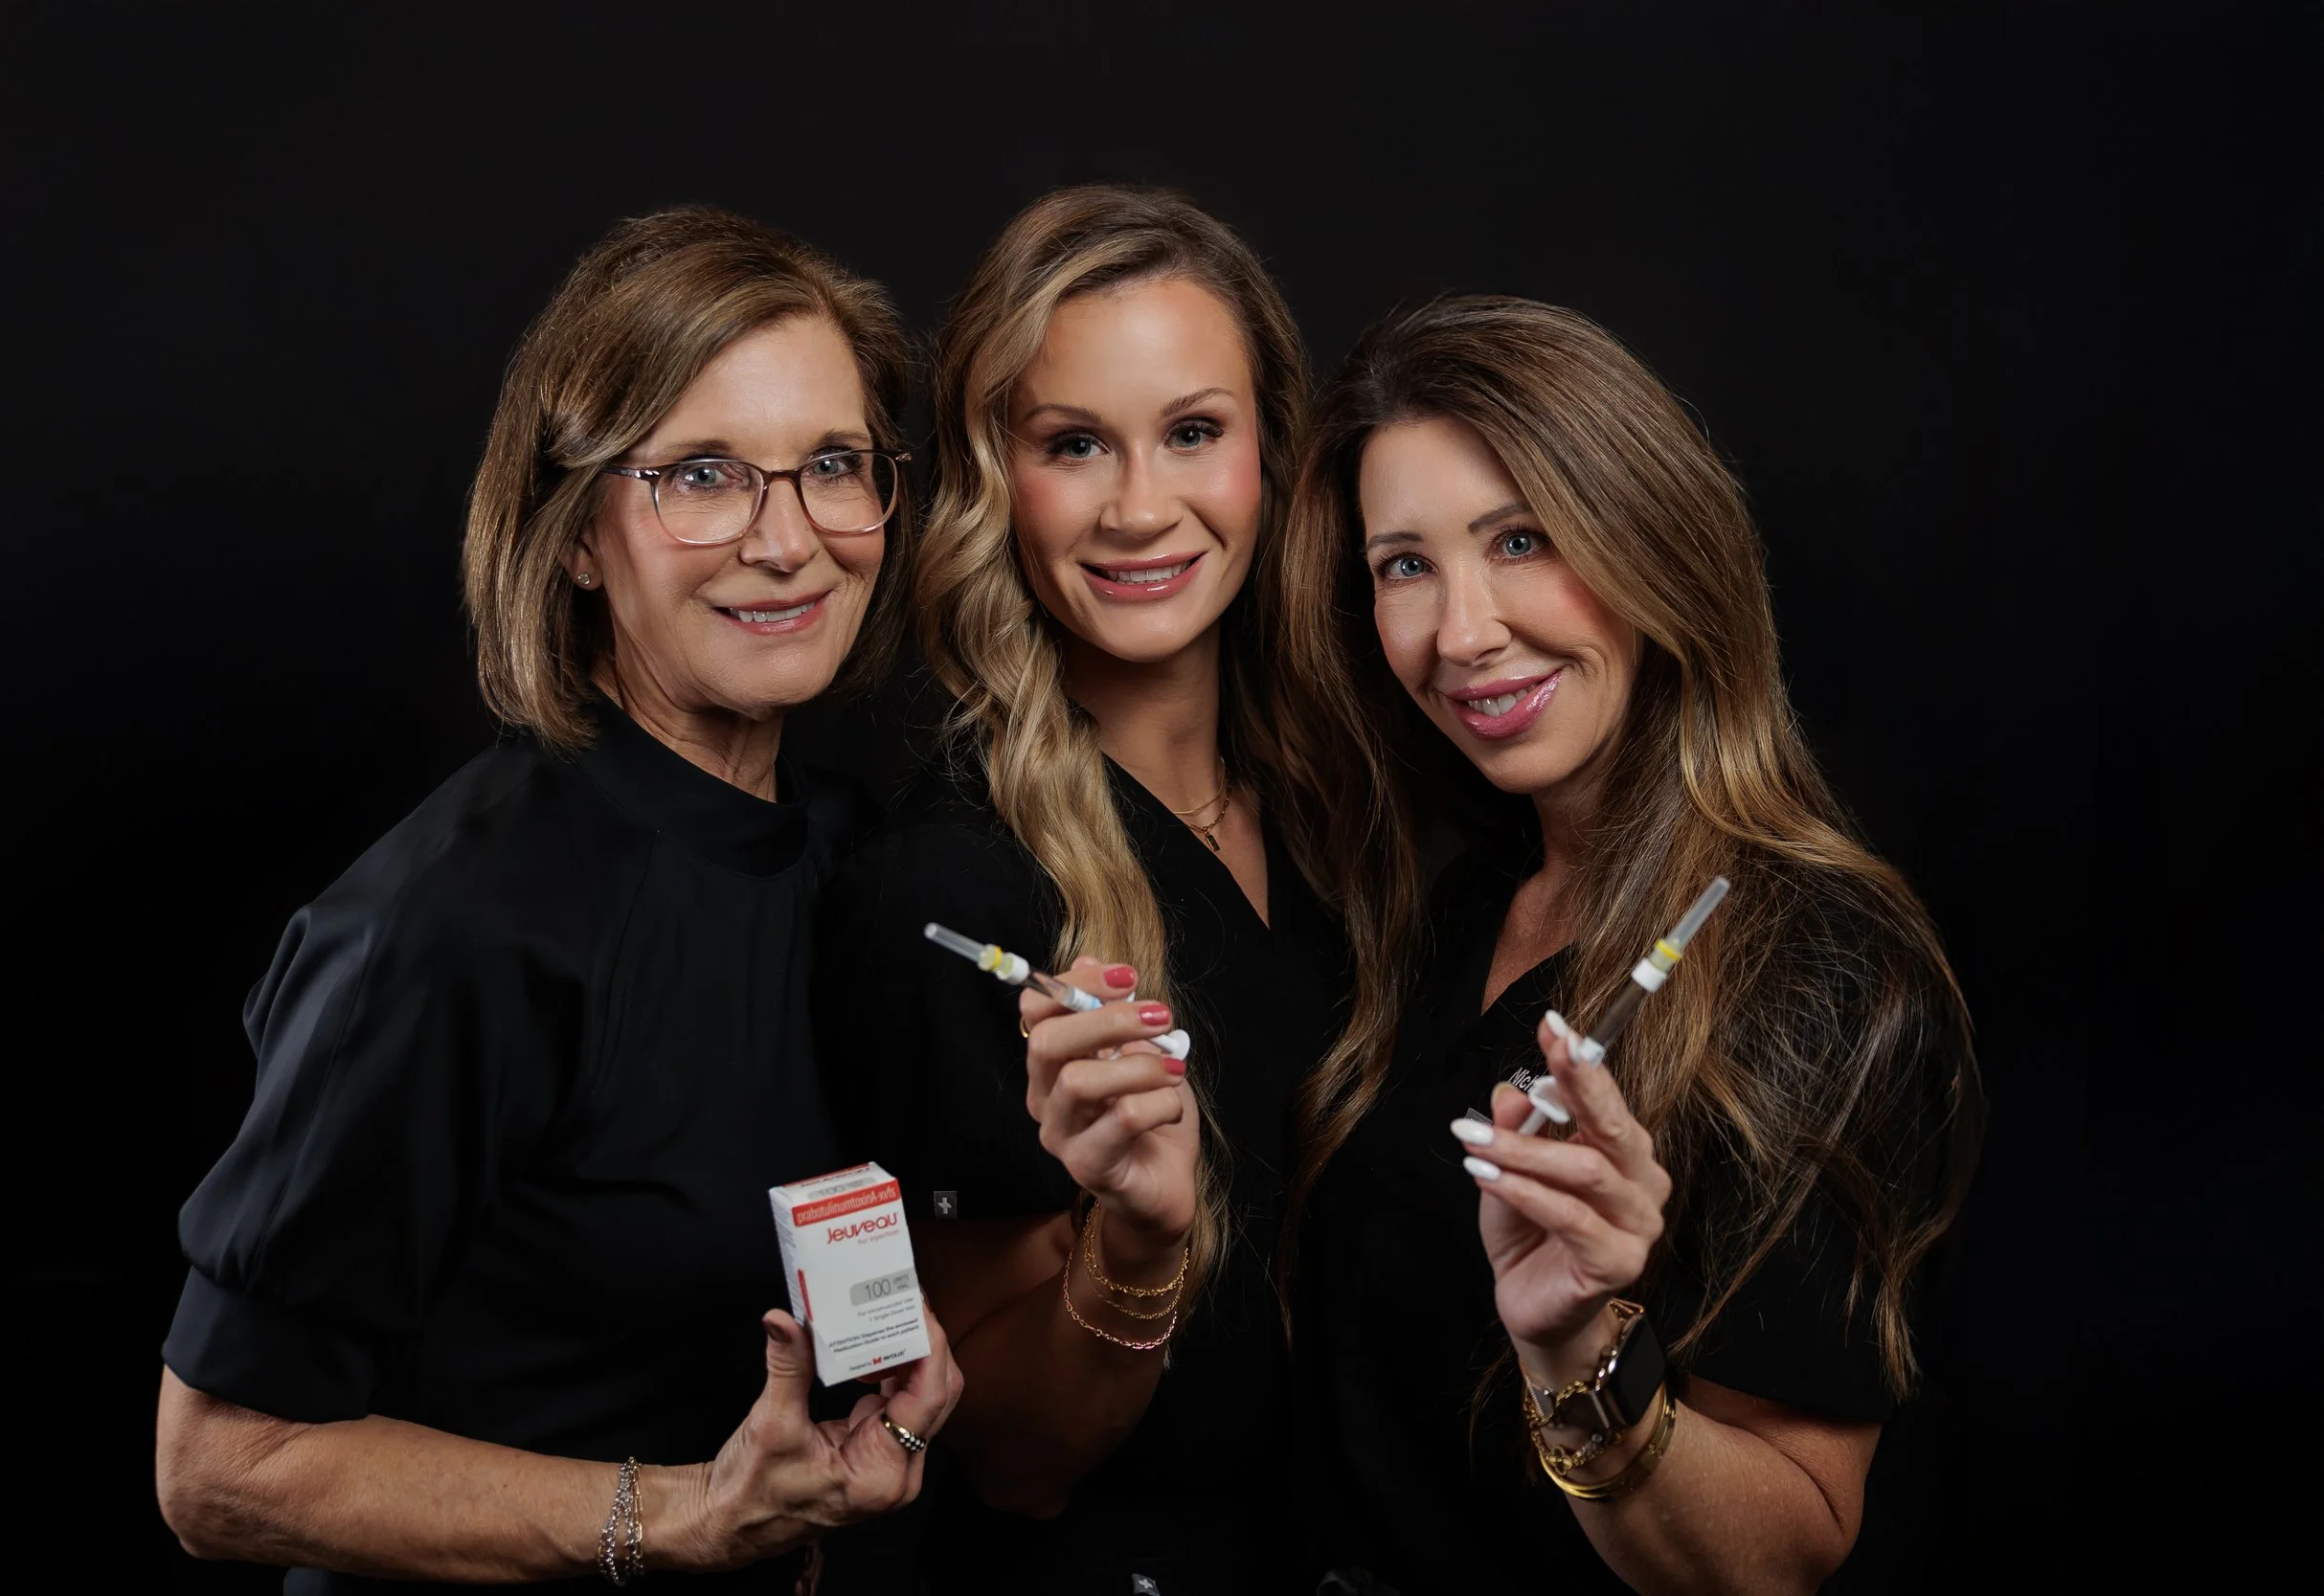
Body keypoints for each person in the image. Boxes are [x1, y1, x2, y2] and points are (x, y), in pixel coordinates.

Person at [153, 208, 962, 1594]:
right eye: (702, 474)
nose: (788, 540)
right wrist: (689, 1514)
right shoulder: (452, 922)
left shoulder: (855, 854)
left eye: (833, 464)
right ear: (578, 533)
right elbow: (220, 1464)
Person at [1284, 296, 1985, 1594]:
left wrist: (1578, 1347)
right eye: (1404, 564)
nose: (1463, 630)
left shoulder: (1819, 967)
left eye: (1523, 538)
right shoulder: (1455, 909)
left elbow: (1780, 1553)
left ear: (1653, 537)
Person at [814, 188, 1406, 1594]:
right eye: (1073, 444)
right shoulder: (947, 890)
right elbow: (1015, 1458)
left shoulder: (1353, 815)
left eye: (1194, 431)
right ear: (993, 479)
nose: (1143, 507)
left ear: (1274, 448)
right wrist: (1134, 1242)